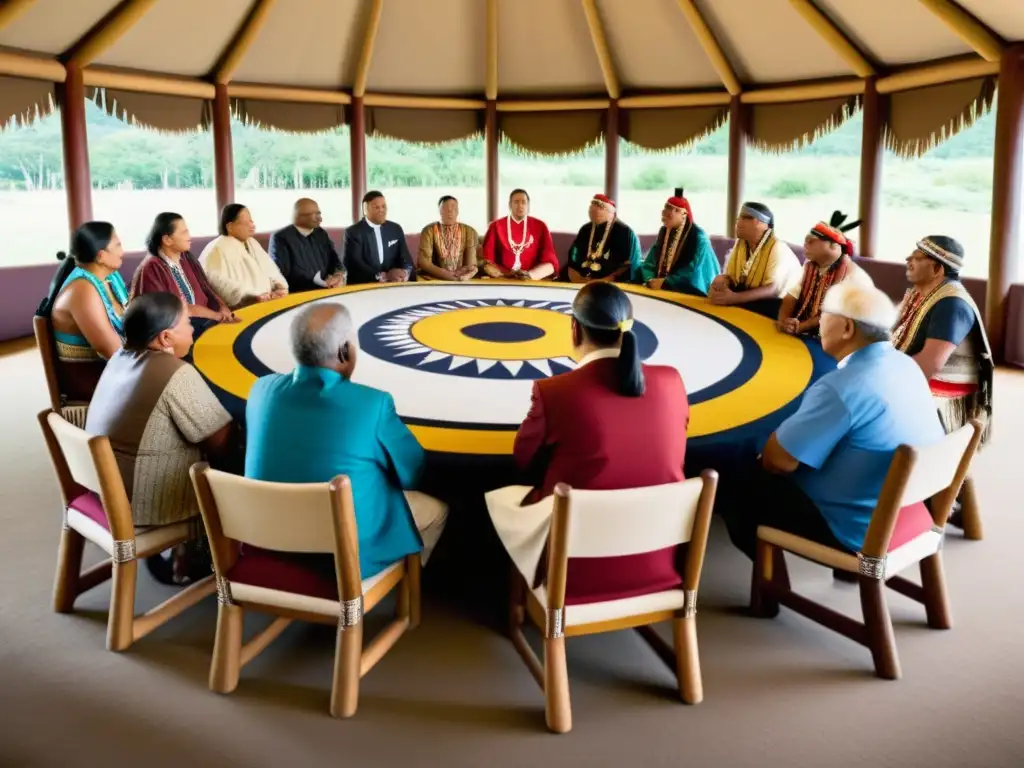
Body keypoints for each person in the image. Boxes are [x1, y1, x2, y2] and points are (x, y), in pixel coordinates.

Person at [717, 281, 944, 561]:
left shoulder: (841, 387)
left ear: (847, 328)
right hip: (905, 505)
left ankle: (769, 586)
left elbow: (778, 461)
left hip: (856, 527)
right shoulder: (906, 364)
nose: (819, 324)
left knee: (735, 480)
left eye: (824, 316)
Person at [244, 302, 447, 579]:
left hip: (266, 535)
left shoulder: (261, 390)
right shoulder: (373, 404)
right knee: (437, 510)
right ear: (343, 350)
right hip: (342, 552)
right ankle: (399, 591)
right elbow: (411, 472)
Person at [84, 292, 235, 582]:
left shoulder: (118, 358)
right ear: (165, 338)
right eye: (187, 323)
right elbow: (221, 444)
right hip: (146, 505)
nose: (192, 329)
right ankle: (194, 555)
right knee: (233, 460)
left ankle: (184, 551)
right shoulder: (175, 372)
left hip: (102, 488)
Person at [514, 282, 689, 504]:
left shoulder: (554, 392)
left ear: (575, 329)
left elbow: (524, 460)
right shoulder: (671, 380)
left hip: (574, 534)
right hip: (663, 532)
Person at [892, 235, 993, 532]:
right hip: (927, 387)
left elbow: (927, 365)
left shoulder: (950, 304)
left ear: (937, 269)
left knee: (870, 417)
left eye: (916, 258)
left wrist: (878, 376)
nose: (908, 262)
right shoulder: (924, 293)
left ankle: (919, 501)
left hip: (947, 401)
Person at [36, 222, 128, 403]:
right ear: (101, 256)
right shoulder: (82, 290)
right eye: (117, 246)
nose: (122, 252)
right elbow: (115, 353)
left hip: (111, 368)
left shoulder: (109, 276)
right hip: (92, 380)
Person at [130, 212, 238, 340]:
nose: (189, 237)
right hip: (174, 336)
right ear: (167, 240)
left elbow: (207, 289)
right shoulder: (152, 268)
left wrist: (222, 308)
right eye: (184, 233)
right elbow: (176, 310)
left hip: (201, 324)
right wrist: (217, 316)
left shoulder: (186, 257)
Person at [777, 211, 873, 337]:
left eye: (811, 241)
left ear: (833, 246)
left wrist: (801, 327)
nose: (805, 245)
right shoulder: (809, 266)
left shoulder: (853, 276)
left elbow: (833, 314)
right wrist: (783, 321)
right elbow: (791, 296)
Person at [711, 202, 800, 316]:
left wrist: (734, 298)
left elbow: (772, 289)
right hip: (750, 297)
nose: (739, 222)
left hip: (778, 303)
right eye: (739, 217)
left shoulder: (777, 247)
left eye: (746, 218)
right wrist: (723, 281)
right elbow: (732, 277)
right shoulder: (741, 243)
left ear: (763, 225)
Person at [199, 203, 288, 308]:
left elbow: (270, 269)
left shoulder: (252, 242)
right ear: (230, 226)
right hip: (239, 309)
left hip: (267, 303)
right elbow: (218, 284)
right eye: (247, 223)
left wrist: (280, 288)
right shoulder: (216, 249)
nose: (252, 226)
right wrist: (251, 297)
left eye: (252, 222)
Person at [633, 189, 719, 295]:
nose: (668, 213)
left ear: (684, 215)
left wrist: (666, 282)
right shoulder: (664, 232)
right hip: (661, 289)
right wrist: (650, 279)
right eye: (666, 208)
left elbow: (695, 275)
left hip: (689, 293)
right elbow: (650, 262)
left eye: (676, 210)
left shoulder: (697, 238)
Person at [269, 197, 346, 292]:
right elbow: (280, 276)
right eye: (313, 215)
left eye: (319, 214)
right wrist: (320, 283)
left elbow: (336, 262)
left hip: (327, 291)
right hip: (299, 295)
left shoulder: (321, 233)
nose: (320, 219)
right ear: (297, 216)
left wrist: (337, 276)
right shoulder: (281, 237)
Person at [481, 189, 559, 280]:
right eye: (516, 202)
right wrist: (503, 275)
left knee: (549, 266)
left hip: (532, 276)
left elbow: (550, 259)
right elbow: (488, 260)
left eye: (524, 202)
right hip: (502, 276)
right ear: (510, 204)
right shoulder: (496, 226)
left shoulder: (540, 226)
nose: (520, 206)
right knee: (487, 266)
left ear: (528, 205)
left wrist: (530, 275)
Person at [565, 193, 642, 283]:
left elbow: (625, 266)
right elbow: (574, 254)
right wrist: (575, 276)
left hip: (610, 282)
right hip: (580, 278)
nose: (593, 209)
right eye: (592, 206)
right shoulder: (585, 229)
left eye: (599, 207)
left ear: (611, 212)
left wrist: (602, 281)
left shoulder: (623, 231)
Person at [343, 191, 415, 285]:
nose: (381, 210)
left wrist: (405, 272)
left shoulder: (395, 229)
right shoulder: (353, 232)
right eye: (376, 207)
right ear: (365, 210)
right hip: (366, 285)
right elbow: (356, 265)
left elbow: (406, 258)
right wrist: (384, 276)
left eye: (384, 206)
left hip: (394, 283)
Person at [417, 195, 479, 281]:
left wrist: (464, 271)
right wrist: (446, 275)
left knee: (474, 270)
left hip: (462, 276)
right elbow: (424, 262)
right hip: (435, 277)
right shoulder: (429, 230)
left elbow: (471, 263)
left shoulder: (469, 231)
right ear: (440, 211)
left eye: (454, 208)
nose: (450, 211)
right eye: (445, 208)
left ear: (458, 211)